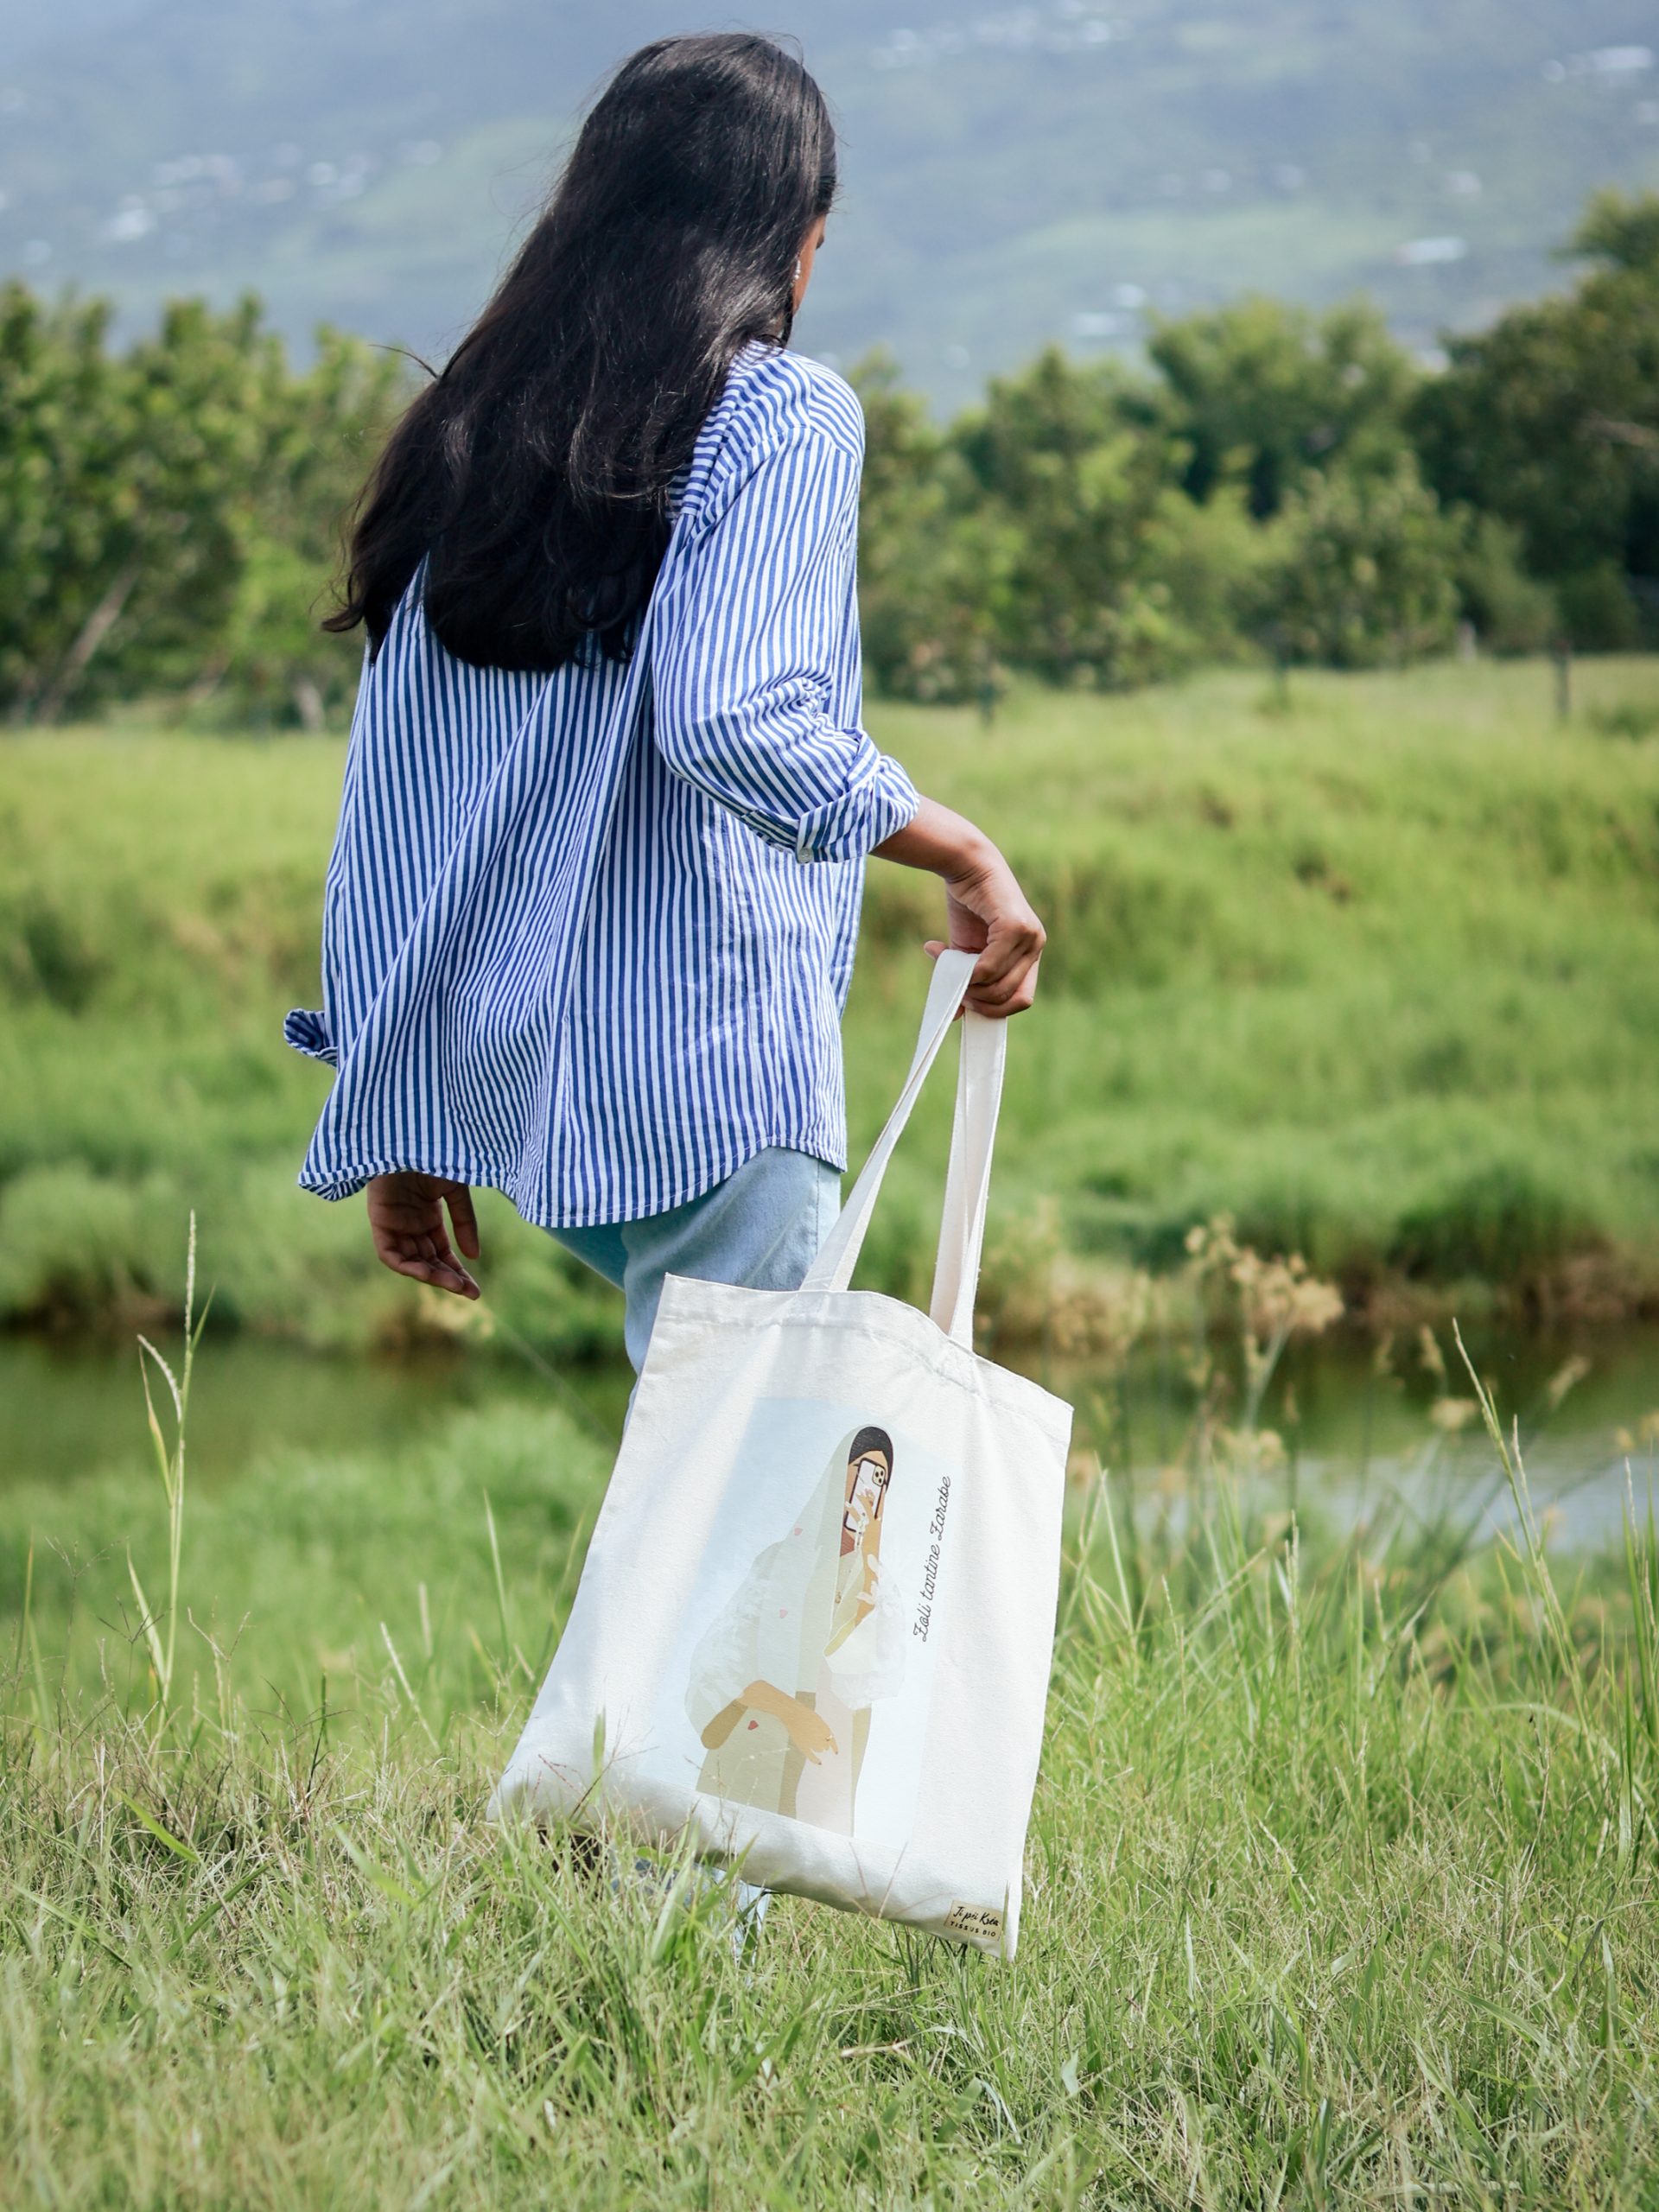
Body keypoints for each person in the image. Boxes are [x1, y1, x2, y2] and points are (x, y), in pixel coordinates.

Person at [287, 33, 1044, 1370]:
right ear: (791, 243)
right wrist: (961, 849)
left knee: (697, 1474)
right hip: (707, 1070)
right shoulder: (780, 416)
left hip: (516, 1074)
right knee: (733, 1488)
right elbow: (730, 719)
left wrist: (390, 1095)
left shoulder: (466, 432)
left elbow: (394, 803)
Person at [686, 1427, 903, 1833]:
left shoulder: (881, 1586)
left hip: (827, 1750)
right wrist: (788, 1710)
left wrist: (868, 1562)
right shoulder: (778, 1561)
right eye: (862, 1471)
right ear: (837, 1473)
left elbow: (863, 1674)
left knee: (800, 1847)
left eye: (881, 1479)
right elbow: (722, 1662)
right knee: (722, 1837)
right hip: (759, 1733)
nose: (869, 1489)